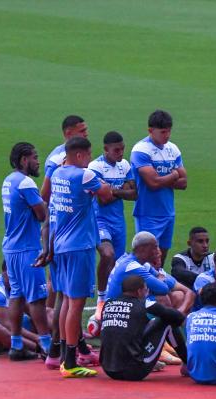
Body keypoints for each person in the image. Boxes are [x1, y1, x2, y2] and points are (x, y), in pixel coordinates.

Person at [50, 136, 112, 378]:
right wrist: (103, 182)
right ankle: (69, 362)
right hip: (79, 246)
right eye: (88, 155)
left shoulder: (57, 174)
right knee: (75, 304)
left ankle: (68, 356)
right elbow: (106, 193)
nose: (90, 160)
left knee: (66, 301)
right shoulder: (83, 175)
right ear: (79, 155)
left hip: (61, 245)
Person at [39, 115, 88, 368]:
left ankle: (62, 352)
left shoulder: (59, 161)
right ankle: (62, 354)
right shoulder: (62, 161)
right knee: (68, 298)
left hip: (57, 236)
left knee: (65, 296)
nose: (87, 133)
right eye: (82, 130)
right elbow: (44, 195)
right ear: (69, 134)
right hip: (70, 237)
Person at [106, 231, 195, 365]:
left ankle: (158, 346)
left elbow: (176, 287)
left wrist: (159, 280)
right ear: (142, 249)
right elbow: (163, 289)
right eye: (154, 247)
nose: (158, 251)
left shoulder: (139, 263)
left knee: (175, 297)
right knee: (166, 314)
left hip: (116, 315)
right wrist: (177, 317)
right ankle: (188, 363)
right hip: (127, 319)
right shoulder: (134, 266)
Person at [1, 142, 51, 361]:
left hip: (11, 247)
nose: (38, 161)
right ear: (24, 159)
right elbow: (42, 215)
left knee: (17, 296)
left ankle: (16, 345)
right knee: (37, 299)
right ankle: (49, 346)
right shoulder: (26, 182)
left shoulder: (8, 181)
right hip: (27, 248)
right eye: (35, 157)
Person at [88, 131, 137, 321]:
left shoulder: (124, 165)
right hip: (100, 220)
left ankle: (113, 302)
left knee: (117, 264)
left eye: (123, 148)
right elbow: (103, 199)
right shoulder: (96, 167)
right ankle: (101, 300)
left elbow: (134, 194)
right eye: (117, 149)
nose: (121, 152)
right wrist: (120, 190)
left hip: (118, 222)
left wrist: (112, 190)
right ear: (106, 149)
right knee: (107, 255)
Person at [99, 275, 188, 381]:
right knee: (167, 321)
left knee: (141, 324)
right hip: (134, 370)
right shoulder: (145, 304)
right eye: (146, 289)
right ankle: (188, 364)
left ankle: (135, 357)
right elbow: (175, 315)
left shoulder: (108, 303)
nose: (147, 292)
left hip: (108, 368)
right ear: (139, 291)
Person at [131, 110, 187, 268]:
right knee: (145, 258)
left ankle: (155, 291)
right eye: (163, 132)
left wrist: (167, 178)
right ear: (150, 130)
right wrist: (174, 174)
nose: (167, 135)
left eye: (169, 131)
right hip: (148, 213)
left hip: (168, 212)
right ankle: (141, 291)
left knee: (160, 258)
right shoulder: (141, 150)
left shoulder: (172, 149)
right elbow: (153, 183)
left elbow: (184, 183)